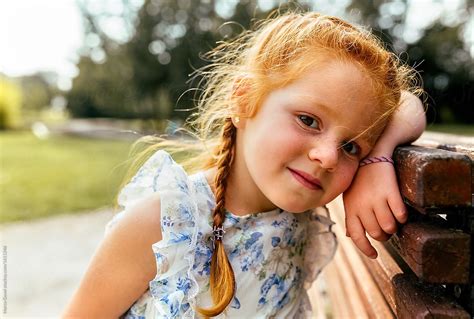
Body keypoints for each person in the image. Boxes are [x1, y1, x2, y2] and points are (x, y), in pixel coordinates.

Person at [63, 11, 426, 318]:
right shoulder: (164, 225)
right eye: (308, 120)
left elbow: (409, 105)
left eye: (350, 147)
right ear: (243, 101)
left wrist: (378, 157)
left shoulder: (296, 217)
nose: (328, 157)